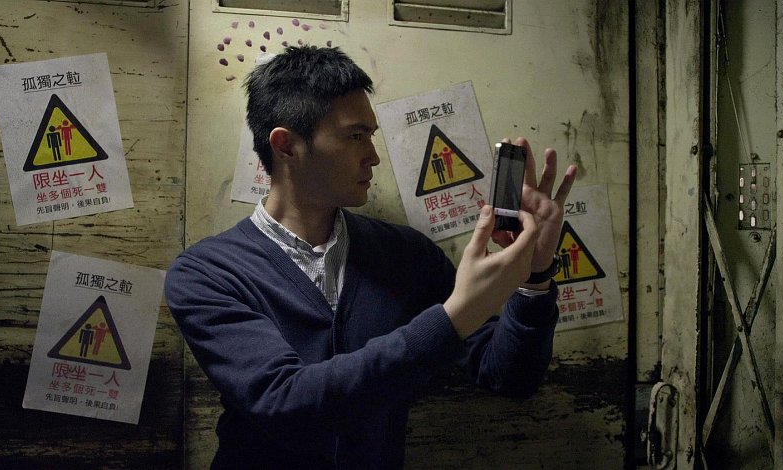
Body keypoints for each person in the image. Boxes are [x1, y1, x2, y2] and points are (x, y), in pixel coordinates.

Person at [164, 46, 577, 469]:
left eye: (372, 136)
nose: (374, 155)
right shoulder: (206, 274)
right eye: (355, 136)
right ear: (286, 146)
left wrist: (535, 277)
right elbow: (286, 404)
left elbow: (509, 377)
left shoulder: (407, 255)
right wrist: (454, 318)